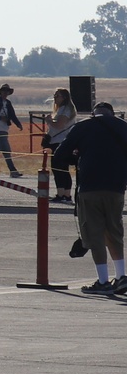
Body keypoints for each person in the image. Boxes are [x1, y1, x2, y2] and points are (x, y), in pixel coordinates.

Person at [51, 100, 127, 293]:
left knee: (95, 234)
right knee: (114, 232)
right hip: (116, 188)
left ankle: (102, 281)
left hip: (90, 188)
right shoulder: (122, 127)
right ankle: (121, 276)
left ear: (94, 113)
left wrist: (78, 157)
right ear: (112, 113)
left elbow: (59, 155)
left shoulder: (83, 126)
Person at [45, 87, 77, 205]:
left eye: (57, 96)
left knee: (60, 168)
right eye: (54, 96)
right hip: (58, 141)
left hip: (61, 142)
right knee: (60, 168)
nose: (55, 98)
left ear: (64, 97)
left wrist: (49, 121)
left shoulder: (65, 110)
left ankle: (64, 194)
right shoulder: (62, 109)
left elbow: (59, 125)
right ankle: (63, 193)